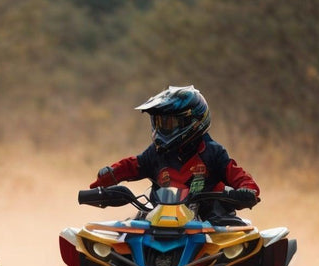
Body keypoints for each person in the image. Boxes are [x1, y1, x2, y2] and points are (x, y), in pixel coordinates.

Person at [91, 85, 259, 225]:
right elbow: (132, 165)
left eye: (170, 123)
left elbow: (239, 176)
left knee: (242, 246)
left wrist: (247, 191)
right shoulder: (156, 154)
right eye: (160, 122)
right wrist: (107, 177)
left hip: (209, 223)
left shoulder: (213, 152)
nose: (164, 128)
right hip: (160, 221)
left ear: (194, 121)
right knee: (120, 237)